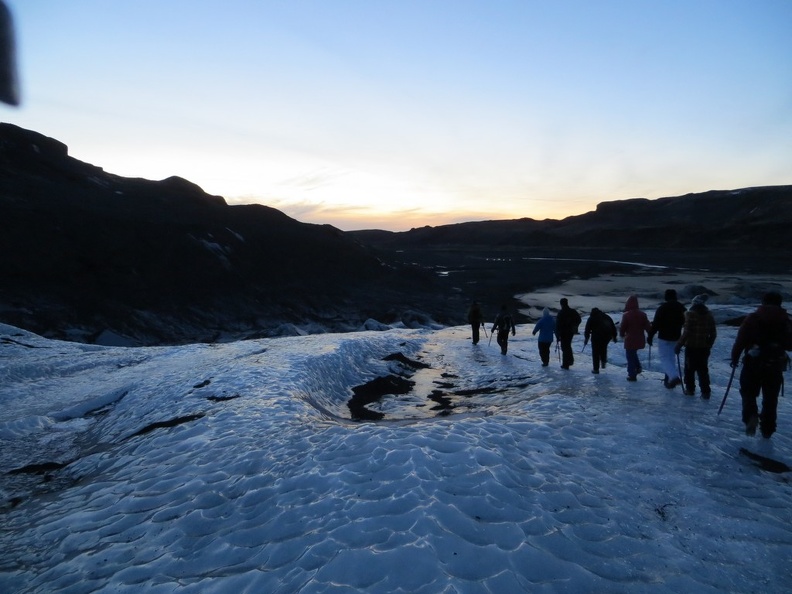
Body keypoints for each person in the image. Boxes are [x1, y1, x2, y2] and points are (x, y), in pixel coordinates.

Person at [730, 291, 792, 438]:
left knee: (748, 392)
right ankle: (767, 429)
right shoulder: (786, 320)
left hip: (753, 362)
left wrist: (734, 358)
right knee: (771, 398)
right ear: (780, 303)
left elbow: (740, 341)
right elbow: (790, 344)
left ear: (763, 302)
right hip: (775, 364)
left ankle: (751, 416)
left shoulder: (753, 318)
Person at [674, 294, 717, 398]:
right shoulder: (709, 315)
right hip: (704, 348)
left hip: (691, 347)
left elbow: (687, 332)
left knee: (689, 369)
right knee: (703, 370)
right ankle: (706, 392)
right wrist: (709, 344)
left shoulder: (690, 315)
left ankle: (690, 390)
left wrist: (679, 344)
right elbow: (713, 333)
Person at [647, 289, 687, 389]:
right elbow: (686, 322)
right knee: (671, 358)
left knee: (664, 358)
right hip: (676, 336)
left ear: (666, 297)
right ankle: (668, 380)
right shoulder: (681, 308)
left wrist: (650, 336)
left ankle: (673, 377)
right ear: (675, 296)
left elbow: (656, 324)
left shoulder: (662, 308)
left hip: (664, 337)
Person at [620, 295, 651, 381]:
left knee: (630, 356)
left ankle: (632, 375)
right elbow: (648, 327)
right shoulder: (643, 314)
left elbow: (623, 327)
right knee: (633, 353)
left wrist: (621, 334)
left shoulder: (626, 315)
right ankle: (638, 368)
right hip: (640, 339)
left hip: (630, 339)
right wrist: (650, 336)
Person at [584, 307, 617, 374]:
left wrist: (586, 338)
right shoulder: (606, 316)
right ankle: (603, 361)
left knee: (595, 352)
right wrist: (614, 336)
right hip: (607, 336)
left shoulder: (592, 318)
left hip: (596, 337)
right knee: (603, 348)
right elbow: (613, 327)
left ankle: (596, 369)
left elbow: (587, 329)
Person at [555, 298, 581, 369]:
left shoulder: (561, 313)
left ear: (561, 304)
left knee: (565, 347)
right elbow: (579, 319)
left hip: (563, 332)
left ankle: (566, 364)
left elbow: (557, 325)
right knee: (568, 346)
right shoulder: (572, 311)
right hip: (570, 332)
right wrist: (574, 326)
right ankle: (570, 361)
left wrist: (557, 335)